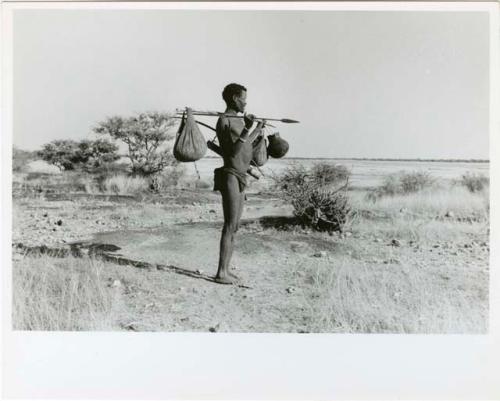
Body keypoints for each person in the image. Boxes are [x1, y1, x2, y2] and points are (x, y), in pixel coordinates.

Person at [213, 83, 265, 284]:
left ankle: (225, 269)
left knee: (235, 226)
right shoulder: (224, 120)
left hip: (241, 176)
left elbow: (244, 148)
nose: (246, 102)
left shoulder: (237, 121)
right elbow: (233, 152)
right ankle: (220, 273)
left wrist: (257, 129)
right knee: (229, 225)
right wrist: (249, 129)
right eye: (244, 98)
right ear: (235, 98)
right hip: (231, 176)